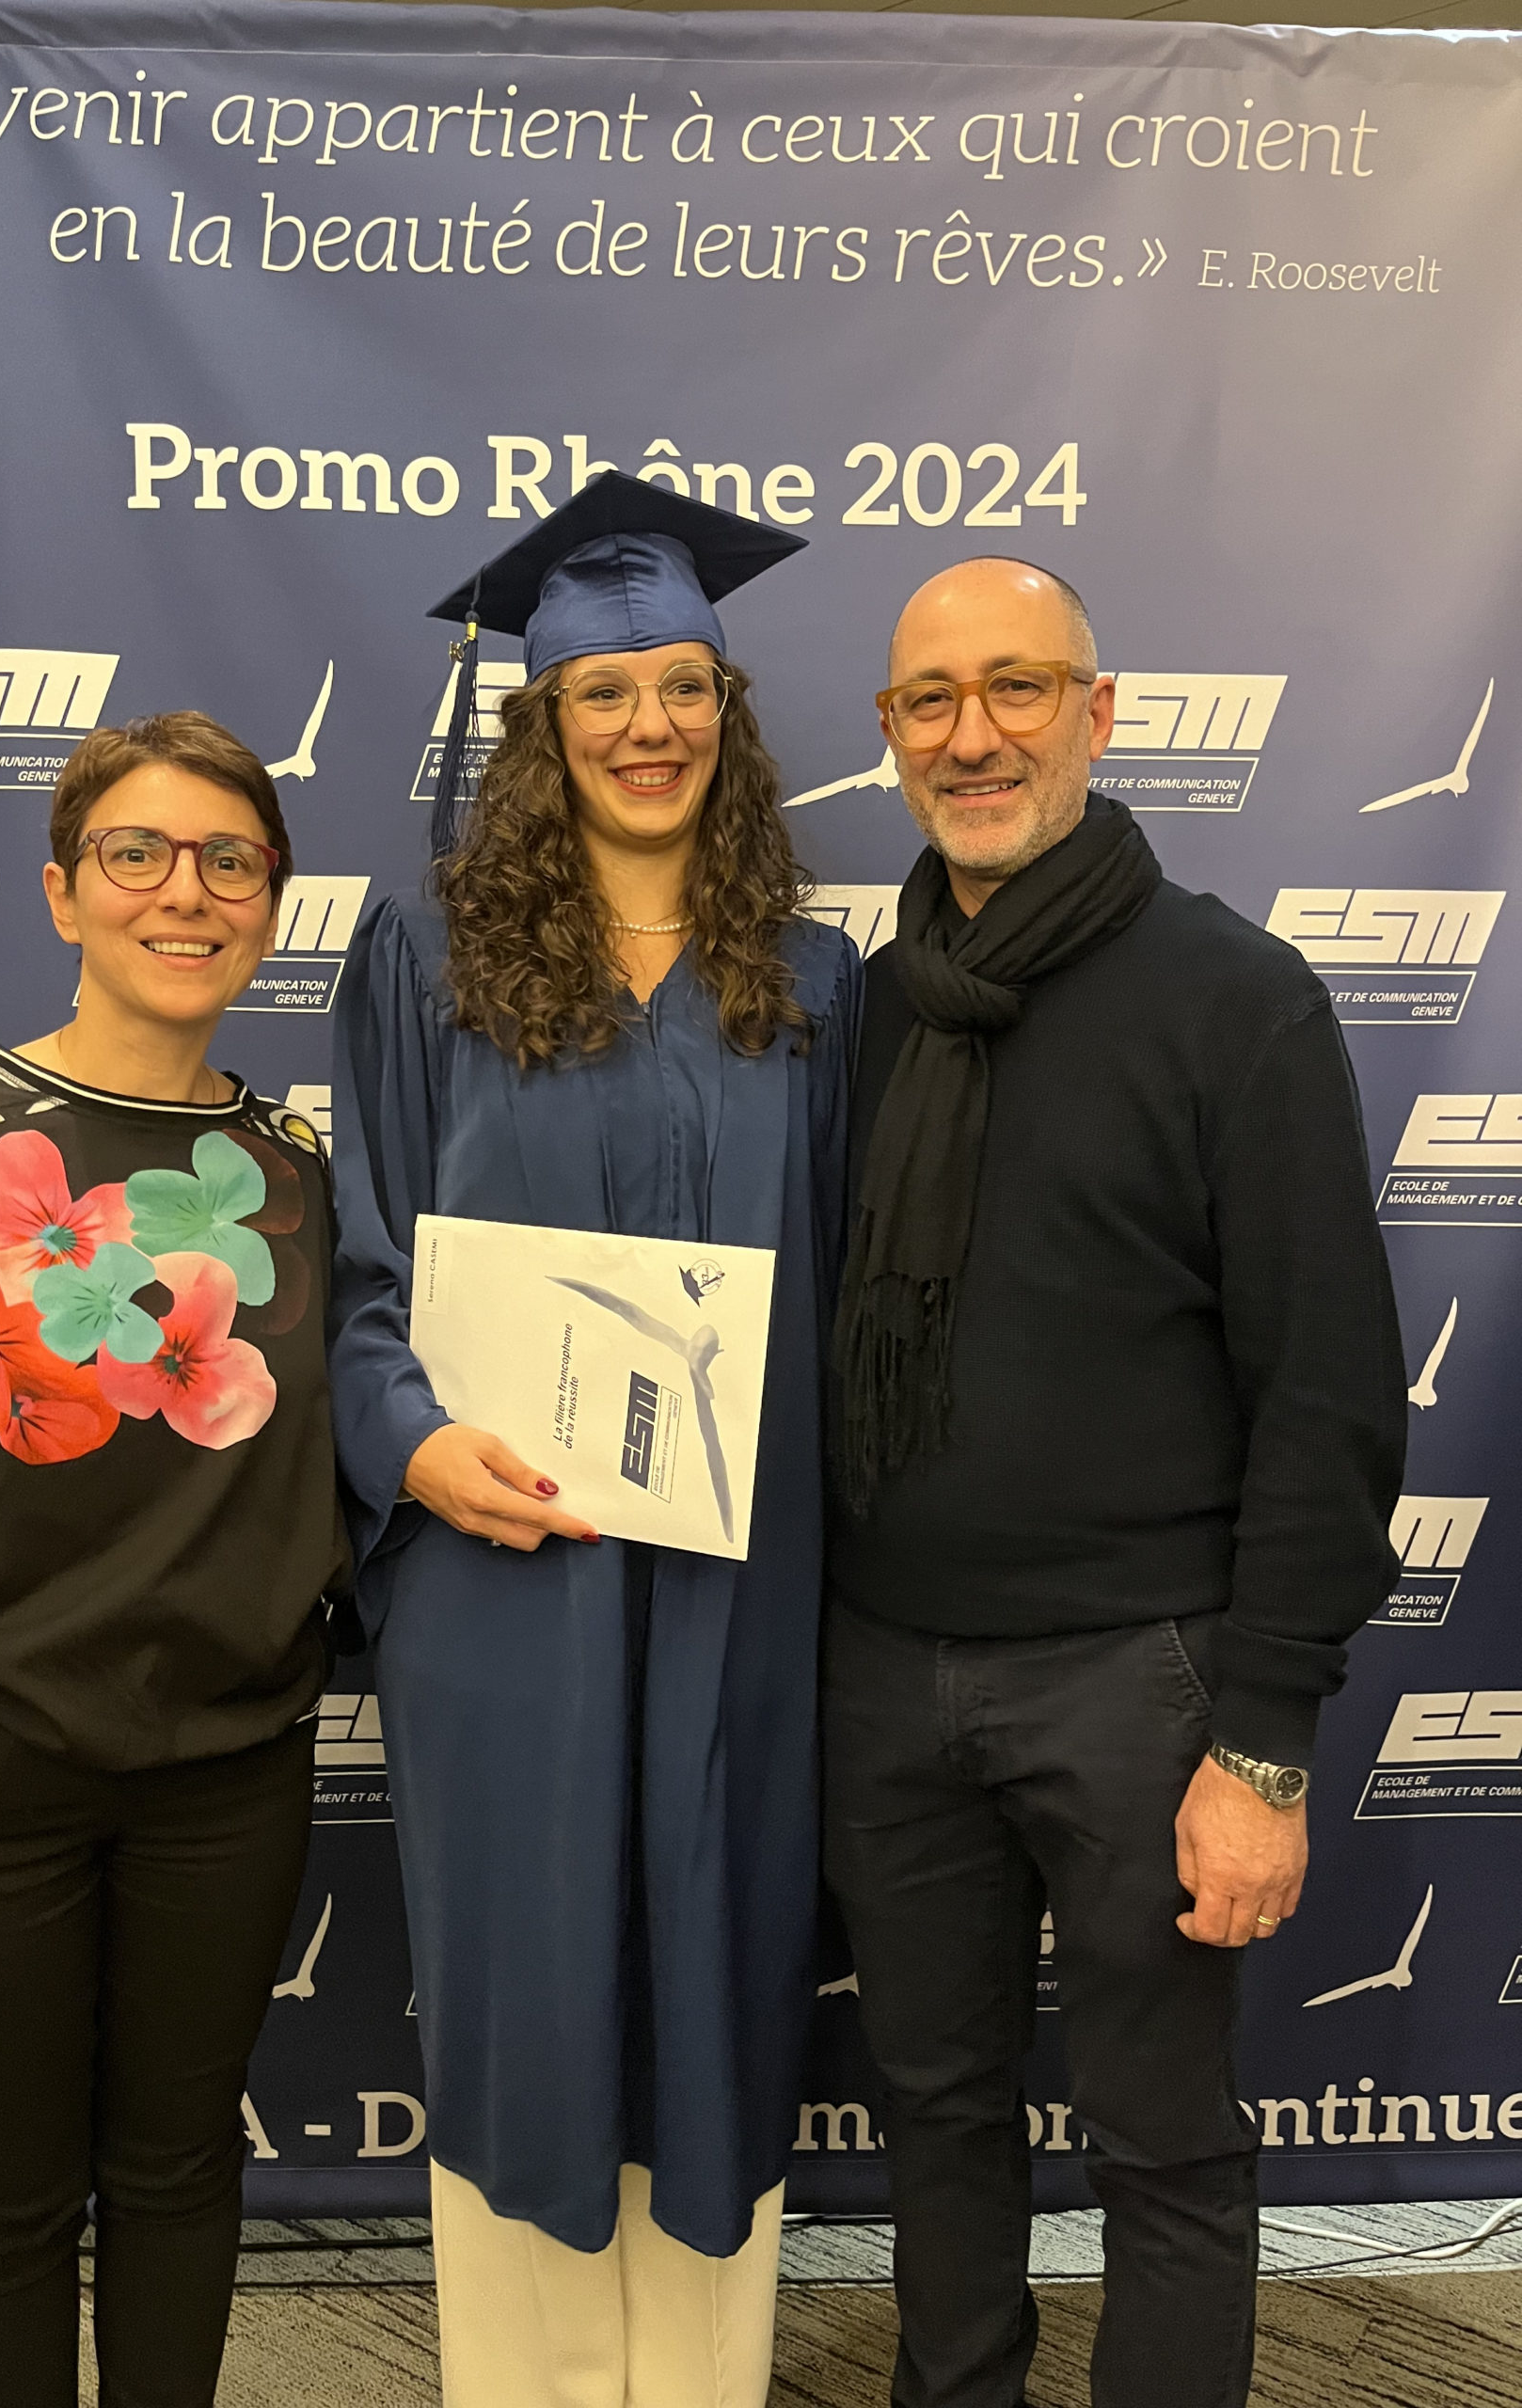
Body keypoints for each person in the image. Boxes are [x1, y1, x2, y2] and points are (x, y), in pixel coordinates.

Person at [823, 560, 1406, 2408]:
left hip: (1140, 1683)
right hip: (881, 1670)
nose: (972, 734)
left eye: (1017, 686)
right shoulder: (862, 1012)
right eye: (931, 699)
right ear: (890, 734)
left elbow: (1328, 1396)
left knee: (1161, 2138)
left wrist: (1264, 1746)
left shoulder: (1237, 998)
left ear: (1098, 710)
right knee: (934, 2115)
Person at [328, 472, 860, 2408]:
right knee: (533, 1990)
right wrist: (412, 1450)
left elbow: (853, 1300)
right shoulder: (426, 955)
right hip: (507, 1570)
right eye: (604, 692)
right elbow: (363, 1271)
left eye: (683, 686)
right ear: (542, 723)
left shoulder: (812, 983)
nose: (650, 725)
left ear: (729, 709)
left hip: (740, 1585)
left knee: (717, 1970)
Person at [0, 711, 350, 2408]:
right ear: (60, 892)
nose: (186, 892)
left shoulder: (305, 1174)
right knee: (7, 2200)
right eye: (137, 853)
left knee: (181, 2175)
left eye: (230, 861)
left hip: (231, 1771)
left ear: (270, 902)